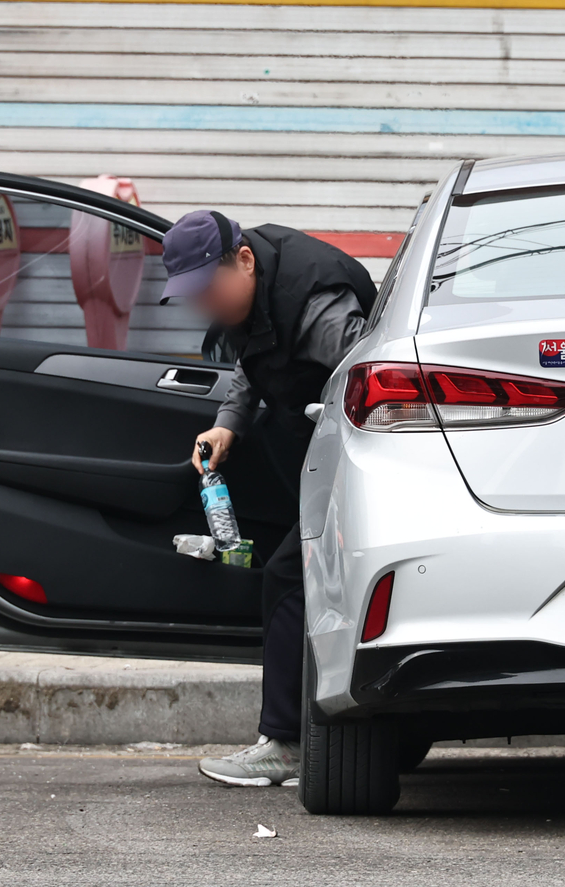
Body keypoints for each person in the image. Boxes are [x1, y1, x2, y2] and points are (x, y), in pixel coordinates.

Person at [158, 210, 376, 786]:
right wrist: (230, 423)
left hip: (355, 461)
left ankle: (285, 742)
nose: (203, 304)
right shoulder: (253, 298)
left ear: (245, 261)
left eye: (208, 288)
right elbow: (255, 364)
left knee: (289, 578)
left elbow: (370, 376)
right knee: (295, 579)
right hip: (304, 451)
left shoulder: (317, 306)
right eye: (192, 296)